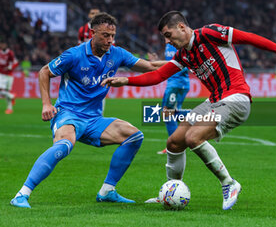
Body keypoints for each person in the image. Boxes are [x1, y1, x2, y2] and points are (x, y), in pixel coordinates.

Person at [101, 11, 276, 210]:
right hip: (214, 101)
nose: (167, 41)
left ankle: (229, 183)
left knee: (194, 137)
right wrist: (126, 81)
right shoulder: (184, 55)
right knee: (174, 142)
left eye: (168, 35)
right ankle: (170, 192)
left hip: (236, 99)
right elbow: (157, 76)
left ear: (181, 27)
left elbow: (248, 37)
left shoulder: (210, 33)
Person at [10, 12, 166, 208]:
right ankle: (21, 194)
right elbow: (44, 72)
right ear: (92, 33)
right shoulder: (74, 54)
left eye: (112, 35)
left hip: (93, 120)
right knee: (64, 145)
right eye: (105, 36)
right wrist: (46, 104)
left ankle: (107, 191)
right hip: (68, 113)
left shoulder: (116, 53)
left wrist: (179, 64)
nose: (110, 40)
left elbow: (150, 66)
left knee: (134, 136)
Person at [157, 43, 189, 154]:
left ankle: (175, 145)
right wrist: (157, 61)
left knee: (167, 113)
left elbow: (185, 65)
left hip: (177, 84)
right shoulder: (169, 45)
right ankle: (176, 144)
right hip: (173, 84)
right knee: (171, 114)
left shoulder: (179, 44)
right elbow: (169, 63)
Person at [0, 38, 18, 114]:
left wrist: (11, 67)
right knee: (1, 91)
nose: (2, 45)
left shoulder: (10, 53)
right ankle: (12, 96)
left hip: (9, 75)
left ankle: (9, 109)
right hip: (1, 74)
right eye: (1, 44)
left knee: (6, 91)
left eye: (3, 44)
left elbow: (15, 62)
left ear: (6, 45)